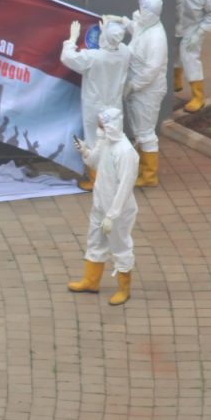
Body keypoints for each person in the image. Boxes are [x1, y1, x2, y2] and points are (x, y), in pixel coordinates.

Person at [67, 108, 139, 306]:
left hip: (117, 212)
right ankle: (91, 281)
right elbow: (94, 162)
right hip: (100, 205)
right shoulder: (106, 142)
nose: (100, 128)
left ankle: (124, 289)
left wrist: (112, 215)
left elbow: (124, 188)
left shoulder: (126, 152)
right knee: (95, 242)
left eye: (102, 125)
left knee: (120, 247)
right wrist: (84, 150)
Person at [60, 19, 131, 190]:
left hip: (95, 107)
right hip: (114, 106)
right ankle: (114, 177)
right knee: (113, 141)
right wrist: (110, 29)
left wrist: (72, 39)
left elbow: (67, 57)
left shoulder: (94, 57)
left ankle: (95, 180)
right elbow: (116, 42)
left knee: (93, 142)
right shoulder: (124, 52)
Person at [122, 0, 168, 187]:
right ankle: (142, 168)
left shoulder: (157, 38)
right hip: (138, 88)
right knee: (138, 129)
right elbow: (136, 30)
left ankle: (149, 176)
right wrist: (122, 22)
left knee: (145, 132)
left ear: (152, 14)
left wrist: (134, 85)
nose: (140, 14)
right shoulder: (146, 26)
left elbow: (152, 69)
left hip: (148, 91)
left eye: (144, 11)